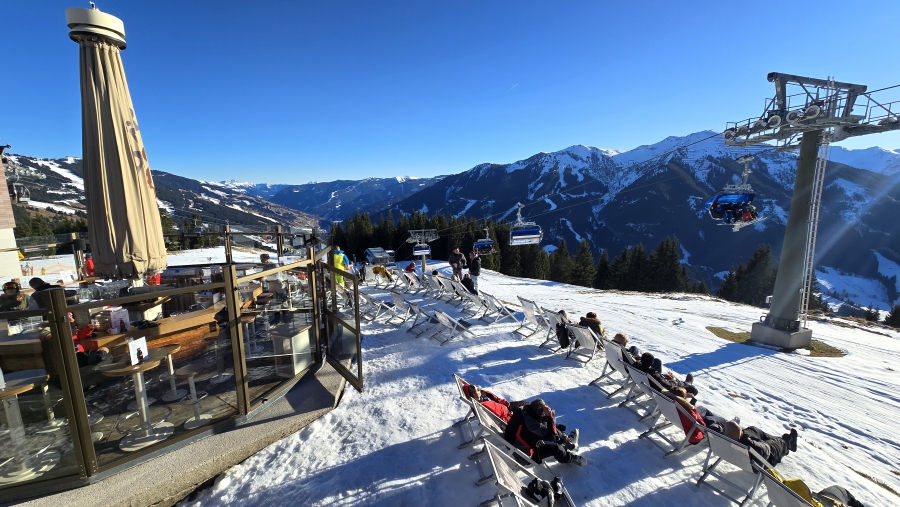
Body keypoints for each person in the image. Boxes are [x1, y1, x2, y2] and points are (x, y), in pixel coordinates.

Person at [503, 399, 587, 466]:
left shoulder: (524, 408)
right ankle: (570, 457)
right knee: (556, 449)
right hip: (523, 453)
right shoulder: (532, 426)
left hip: (514, 439)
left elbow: (512, 405)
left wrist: (547, 419)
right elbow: (552, 436)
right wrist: (550, 417)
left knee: (547, 426)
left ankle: (568, 441)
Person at [723, 420, 797, 466]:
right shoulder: (751, 447)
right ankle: (788, 443)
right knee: (778, 443)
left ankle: (779, 439)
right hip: (767, 458)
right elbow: (766, 450)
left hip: (743, 443)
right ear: (741, 435)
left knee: (753, 430)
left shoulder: (720, 437)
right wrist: (746, 439)